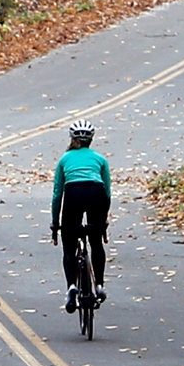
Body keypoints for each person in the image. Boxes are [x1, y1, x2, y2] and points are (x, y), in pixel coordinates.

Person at [49, 123, 111, 313]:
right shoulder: (100, 159)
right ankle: (99, 285)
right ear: (91, 139)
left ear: (72, 139)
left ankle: (71, 287)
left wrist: (56, 223)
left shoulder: (65, 159)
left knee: (69, 244)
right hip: (96, 193)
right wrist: (103, 222)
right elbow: (107, 192)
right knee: (96, 242)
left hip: (73, 194)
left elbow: (57, 194)